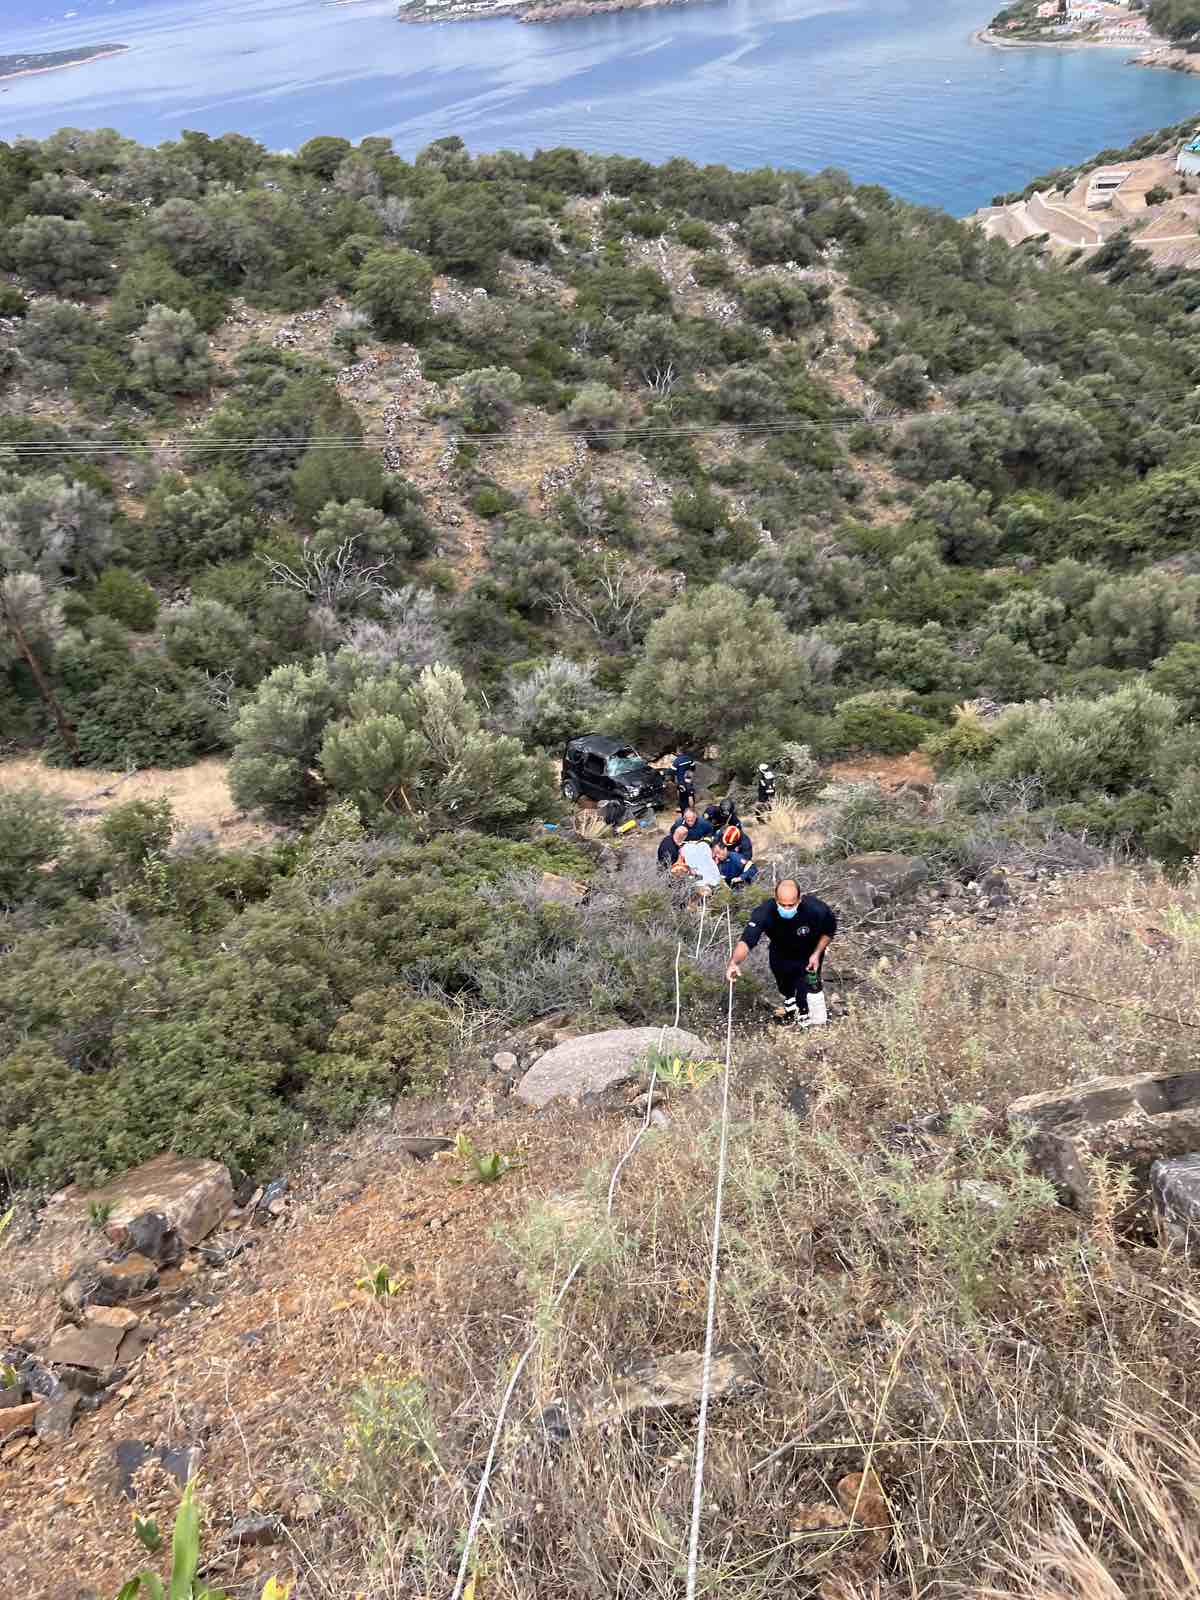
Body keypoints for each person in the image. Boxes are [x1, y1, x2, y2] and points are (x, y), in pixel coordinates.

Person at [725, 879, 837, 1026]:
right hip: (780, 953)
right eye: (782, 905)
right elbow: (747, 940)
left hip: (809, 954)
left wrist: (817, 953)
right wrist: (734, 962)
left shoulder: (816, 909)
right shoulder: (764, 912)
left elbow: (828, 931)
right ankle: (790, 1005)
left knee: (805, 992)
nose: (786, 909)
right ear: (776, 899)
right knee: (784, 986)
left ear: (799, 899)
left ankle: (805, 1021)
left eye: (791, 905)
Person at [672, 745, 697, 811]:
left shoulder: (676, 761)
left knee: (682, 797)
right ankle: (692, 810)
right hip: (689, 780)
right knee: (690, 795)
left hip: (681, 782)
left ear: (678, 752)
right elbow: (693, 768)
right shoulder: (689, 759)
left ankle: (683, 809)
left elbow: (672, 772)